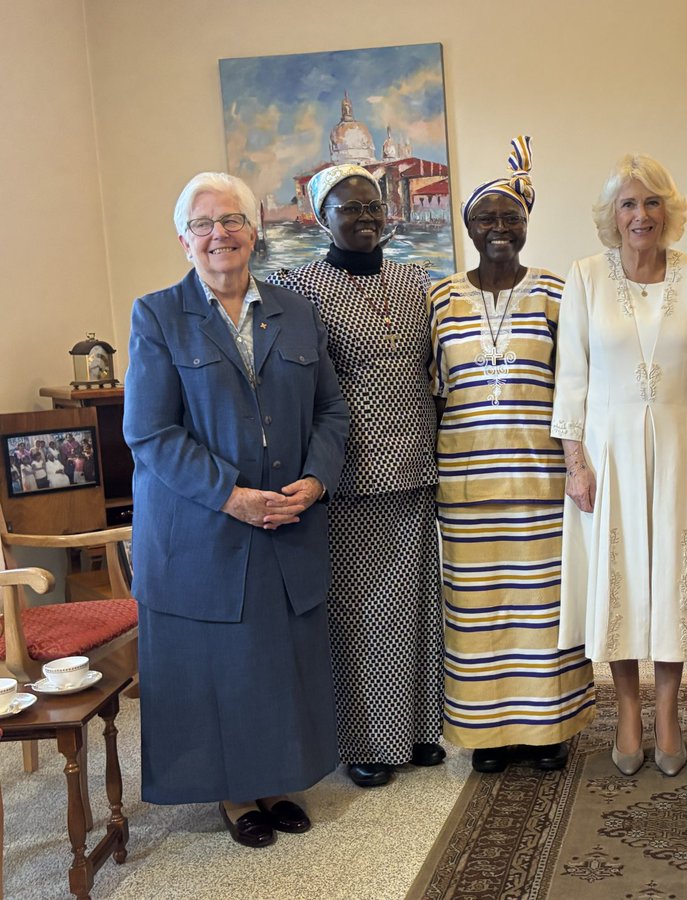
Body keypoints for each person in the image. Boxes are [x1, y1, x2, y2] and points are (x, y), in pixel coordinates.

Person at [124, 172, 348, 848]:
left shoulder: (295, 310)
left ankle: (276, 780)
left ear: (255, 231)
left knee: (276, 661)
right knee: (221, 664)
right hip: (201, 525)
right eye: (204, 224)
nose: (219, 234)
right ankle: (231, 793)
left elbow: (331, 411)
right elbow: (151, 432)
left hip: (288, 517)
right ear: (184, 239)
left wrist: (317, 479)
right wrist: (230, 495)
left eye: (232, 220)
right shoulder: (157, 315)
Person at [552, 153, 687, 777]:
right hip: (609, 456)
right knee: (624, 579)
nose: (641, 215)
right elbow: (570, 377)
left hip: (680, 451)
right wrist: (574, 462)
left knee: (669, 579)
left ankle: (669, 712)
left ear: (669, 211)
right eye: (629, 204)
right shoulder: (584, 276)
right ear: (612, 215)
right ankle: (627, 713)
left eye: (652, 202)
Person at [267, 164, 444, 789]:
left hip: (416, 463)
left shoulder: (413, 279)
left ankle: (423, 727)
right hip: (348, 472)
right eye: (350, 208)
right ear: (323, 217)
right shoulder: (298, 288)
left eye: (373, 206)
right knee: (361, 612)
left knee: (417, 601)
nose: (366, 217)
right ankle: (366, 738)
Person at [429, 136, 595, 774]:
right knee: (477, 606)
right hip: (468, 482)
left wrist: (578, 467)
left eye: (511, 218)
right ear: (467, 227)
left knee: (543, 605)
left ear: (528, 224)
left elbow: (577, 385)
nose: (499, 228)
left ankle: (549, 726)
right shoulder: (440, 298)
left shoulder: (556, 290)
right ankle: (487, 733)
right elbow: (432, 390)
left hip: (541, 478)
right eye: (485, 218)